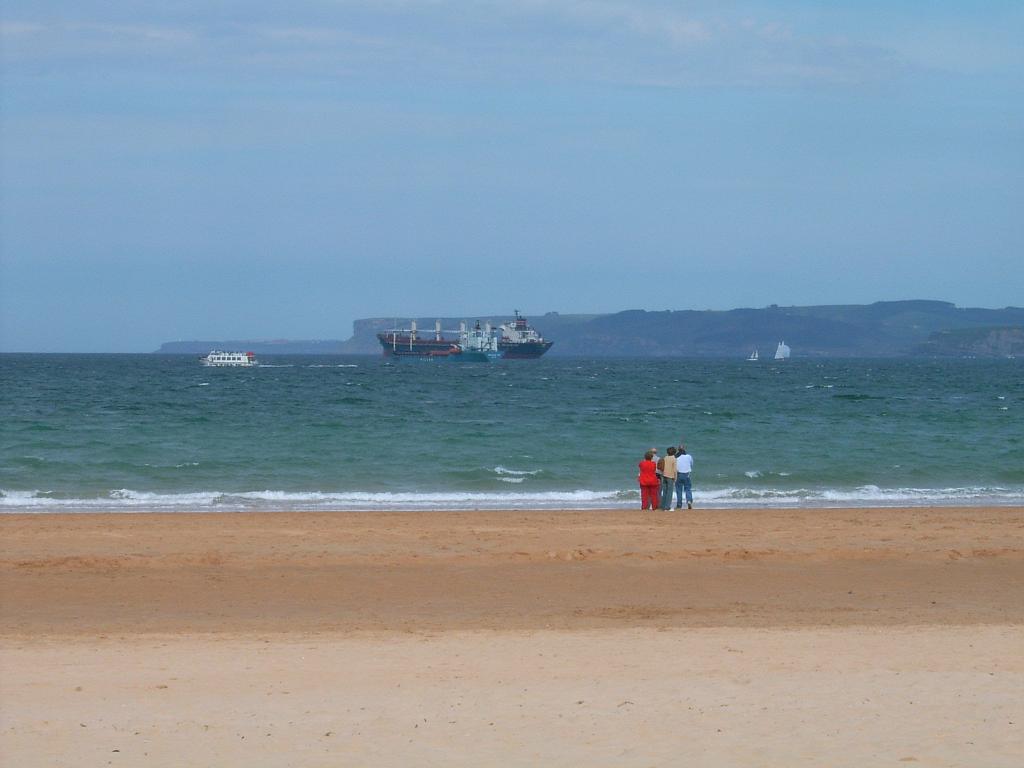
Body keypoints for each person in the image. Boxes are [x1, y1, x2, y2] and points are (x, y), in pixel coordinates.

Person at [675, 445, 694, 509]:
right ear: (684, 449)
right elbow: (691, 464)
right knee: (688, 489)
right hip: (687, 474)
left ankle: (679, 504)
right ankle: (689, 501)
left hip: (679, 474)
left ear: (678, 450)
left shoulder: (676, 457)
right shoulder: (688, 456)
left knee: (679, 490)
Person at [660, 446, 677, 511]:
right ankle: (667, 507)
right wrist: (675, 478)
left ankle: (663, 506)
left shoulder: (665, 457)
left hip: (664, 475)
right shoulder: (674, 459)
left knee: (664, 491)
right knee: (669, 492)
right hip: (670, 476)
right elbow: (675, 469)